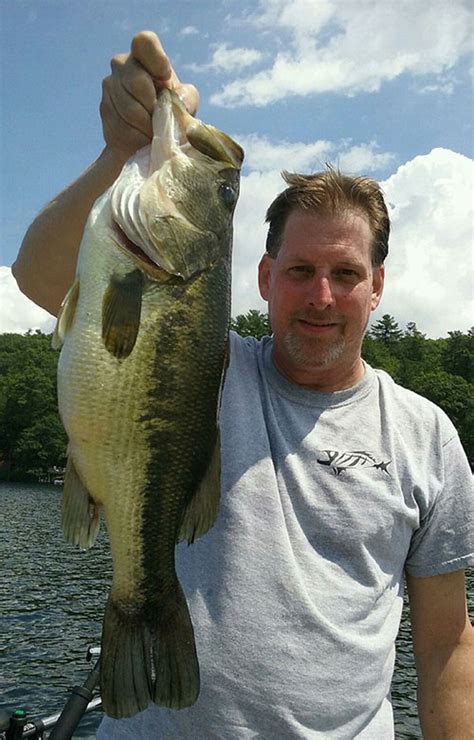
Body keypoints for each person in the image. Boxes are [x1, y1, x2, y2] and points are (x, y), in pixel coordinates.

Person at [13, 31, 474, 740]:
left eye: (345, 274)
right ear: (263, 278)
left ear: (376, 286)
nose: (322, 295)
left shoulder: (426, 437)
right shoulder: (207, 367)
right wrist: (123, 150)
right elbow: (40, 277)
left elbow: (446, 646)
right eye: (299, 272)